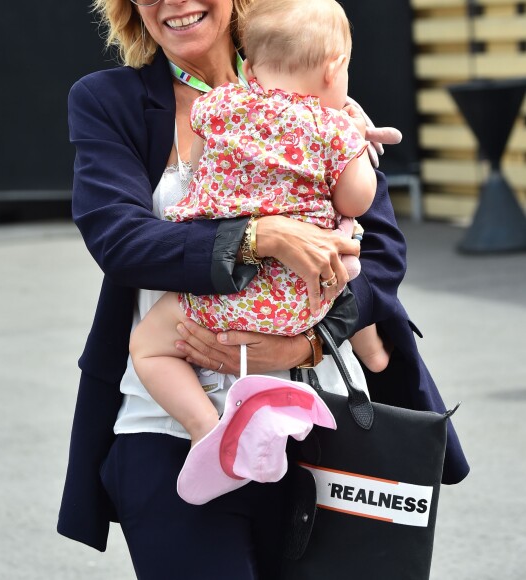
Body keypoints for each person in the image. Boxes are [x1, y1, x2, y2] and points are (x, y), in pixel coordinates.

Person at [57, 0, 470, 578]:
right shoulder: (109, 101)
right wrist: (260, 235)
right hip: (170, 427)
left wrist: (310, 343)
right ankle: (215, 437)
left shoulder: (313, 87)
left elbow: (378, 254)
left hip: (322, 420)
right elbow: (120, 240)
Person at [129, 0, 388, 453]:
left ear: (250, 69)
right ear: (336, 68)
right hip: (302, 297)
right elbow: (357, 200)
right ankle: (373, 350)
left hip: (219, 303)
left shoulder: (220, 106)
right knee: (348, 249)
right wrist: (353, 147)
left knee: (147, 345)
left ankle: (208, 431)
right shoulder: (336, 126)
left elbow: (198, 151)